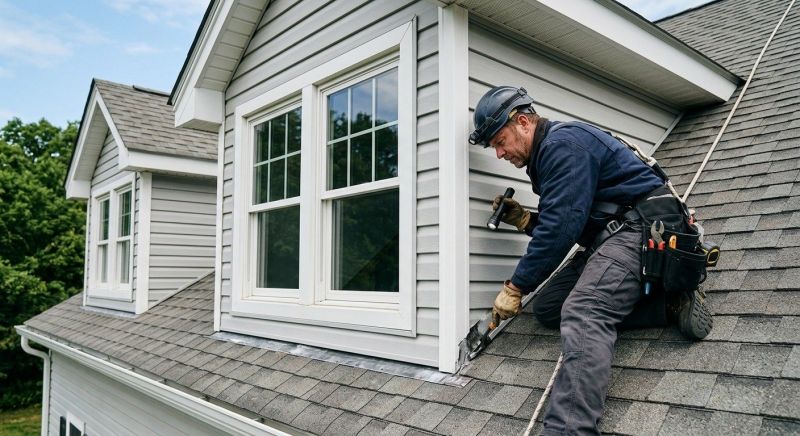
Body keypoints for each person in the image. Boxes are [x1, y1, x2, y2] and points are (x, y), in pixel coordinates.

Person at [469, 86, 713, 435]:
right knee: (550, 308)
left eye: (500, 141)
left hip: (645, 230)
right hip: (613, 238)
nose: (499, 153)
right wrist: (526, 220)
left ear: (523, 122)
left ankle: (570, 430)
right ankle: (670, 304)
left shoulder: (563, 145)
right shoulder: (548, 156)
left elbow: (562, 228)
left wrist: (516, 285)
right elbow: (570, 219)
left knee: (584, 311)